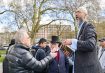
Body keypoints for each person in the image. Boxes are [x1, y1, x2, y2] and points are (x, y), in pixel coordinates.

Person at [63, 6, 103, 73]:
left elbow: (90, 45)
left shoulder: (88, 26)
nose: (76, 14)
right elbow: (82, 49)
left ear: (85, 15)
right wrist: (70, 53)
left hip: (89, 69)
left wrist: (72, 41)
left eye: (79, 11)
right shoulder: (79, 29)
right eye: (75, 12)